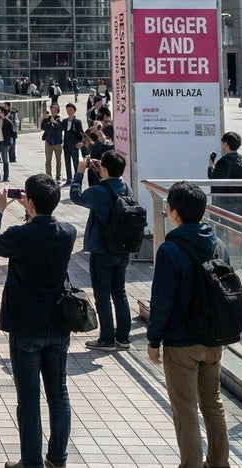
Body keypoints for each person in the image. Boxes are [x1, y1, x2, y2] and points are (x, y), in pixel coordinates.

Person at [0, 174, 75, 468]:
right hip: (58, 322)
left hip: (25, 325)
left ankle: (31, 461)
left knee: (29, 398)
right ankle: (57, 457)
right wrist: (32, 210)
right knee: (58, 393)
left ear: (30, 201)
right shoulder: (68, 231)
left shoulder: (19, 236)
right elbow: (43, 229)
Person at [146, 181, 230, 468]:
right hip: (214, 338)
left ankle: (190, 464)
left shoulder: (170, 249)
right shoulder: (217, 244)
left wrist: (153, 339)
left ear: (173, 212)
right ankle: (219, 463)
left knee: (185, 410)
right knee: (213, 404)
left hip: (182, 342)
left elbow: (162, 301)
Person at [70, 148, 133, 351]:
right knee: (120, 293)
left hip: (102, 249)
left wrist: (80, 172)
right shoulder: (126, 188)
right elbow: (110, 187)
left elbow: (76, 196)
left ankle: (106, 338)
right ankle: (123, 338)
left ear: (103, 169)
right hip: (123, 249)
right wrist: (102, 172)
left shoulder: (97, 191)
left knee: (102, 295)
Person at [207, 132, 242, 260]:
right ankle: (238, 255)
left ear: (226, 144)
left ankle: (228, 257)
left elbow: (215, 181)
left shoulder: (224, 162)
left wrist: (211, 168)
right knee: (237, 229)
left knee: (225, 230)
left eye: (223, 142)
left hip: (226, 204)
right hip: (241, 203)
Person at [60, 104, 84, 186]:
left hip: (74, 145)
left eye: (70, 109)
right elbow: (59, 129)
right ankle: (68, 179)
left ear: (74, 111)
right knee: (67, 162)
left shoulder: (77, 122)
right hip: (66, 145)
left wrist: (80, 142)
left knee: (75, 163)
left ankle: (77, 179)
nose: (68, 111)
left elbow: (81, 133)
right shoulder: (64, 121)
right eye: (67, 109)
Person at [40, 103, 63, 183]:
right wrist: (44, 119)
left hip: (57, 142)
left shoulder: (60, 119)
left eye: (54, 109)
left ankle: (58, 176)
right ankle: (48, 176)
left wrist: (54, 122)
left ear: (57, 110)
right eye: (51, 109)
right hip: (48, 142)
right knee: (48, 160)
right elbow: (42, 127)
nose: (52, 111)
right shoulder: (48, 119)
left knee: (58, 160)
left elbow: (60, 128)